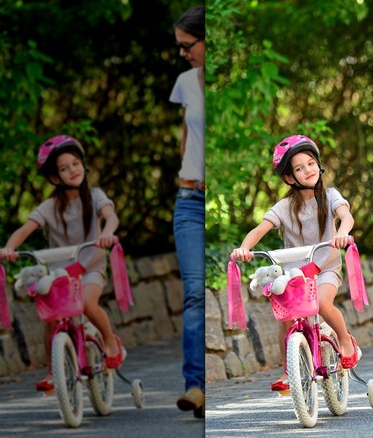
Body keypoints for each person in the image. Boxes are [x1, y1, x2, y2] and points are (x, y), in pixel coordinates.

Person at [231, 135, 359, 392]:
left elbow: (346, 216)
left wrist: (343, 233)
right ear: (290, 178)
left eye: (311, 163)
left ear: (318, 165)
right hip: (294, 272)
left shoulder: (330, 196)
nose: (308, 170)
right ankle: (289, 371)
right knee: (285, 319)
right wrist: (245, 248)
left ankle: (345, 340)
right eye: (299, 168)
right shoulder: (285, 207)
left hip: (325, 266)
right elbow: (259, 230)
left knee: (322, 303)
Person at [0, 135, 124, 391]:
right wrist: (10, 248)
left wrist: (108, 233)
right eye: (64, 169)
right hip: (60, 273)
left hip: (90, 267)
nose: (72, 170)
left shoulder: (95, 196)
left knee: (87, 303)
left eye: (75, 163)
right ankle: (53, 370)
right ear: (55, 178)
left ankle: (110, 340)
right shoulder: (50, 206)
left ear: (83, 164)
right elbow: (24, 230)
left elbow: (111, 217)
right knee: (51, 318)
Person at [170, 5, 206, 418]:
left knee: (199, 293)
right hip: (188, 201)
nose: (182, 53)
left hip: (206, 202)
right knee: (193, 293)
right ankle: (194, 386)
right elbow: (186, 135)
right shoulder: (185, 83)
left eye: (187, 45)